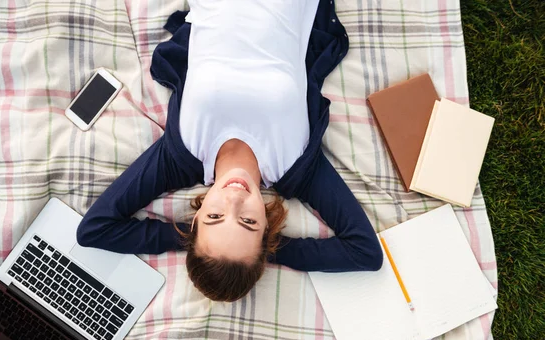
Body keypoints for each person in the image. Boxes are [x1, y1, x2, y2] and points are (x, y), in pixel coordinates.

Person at [76, 0, 383, 302]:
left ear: (194, 222)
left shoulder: (180, 157)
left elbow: (95, 229)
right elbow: (365, 251)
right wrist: (270, 251)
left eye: (214, 216)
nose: (234, 199)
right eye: (248, 222)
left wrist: (187, 240)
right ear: (266, 232)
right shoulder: (296, 168)